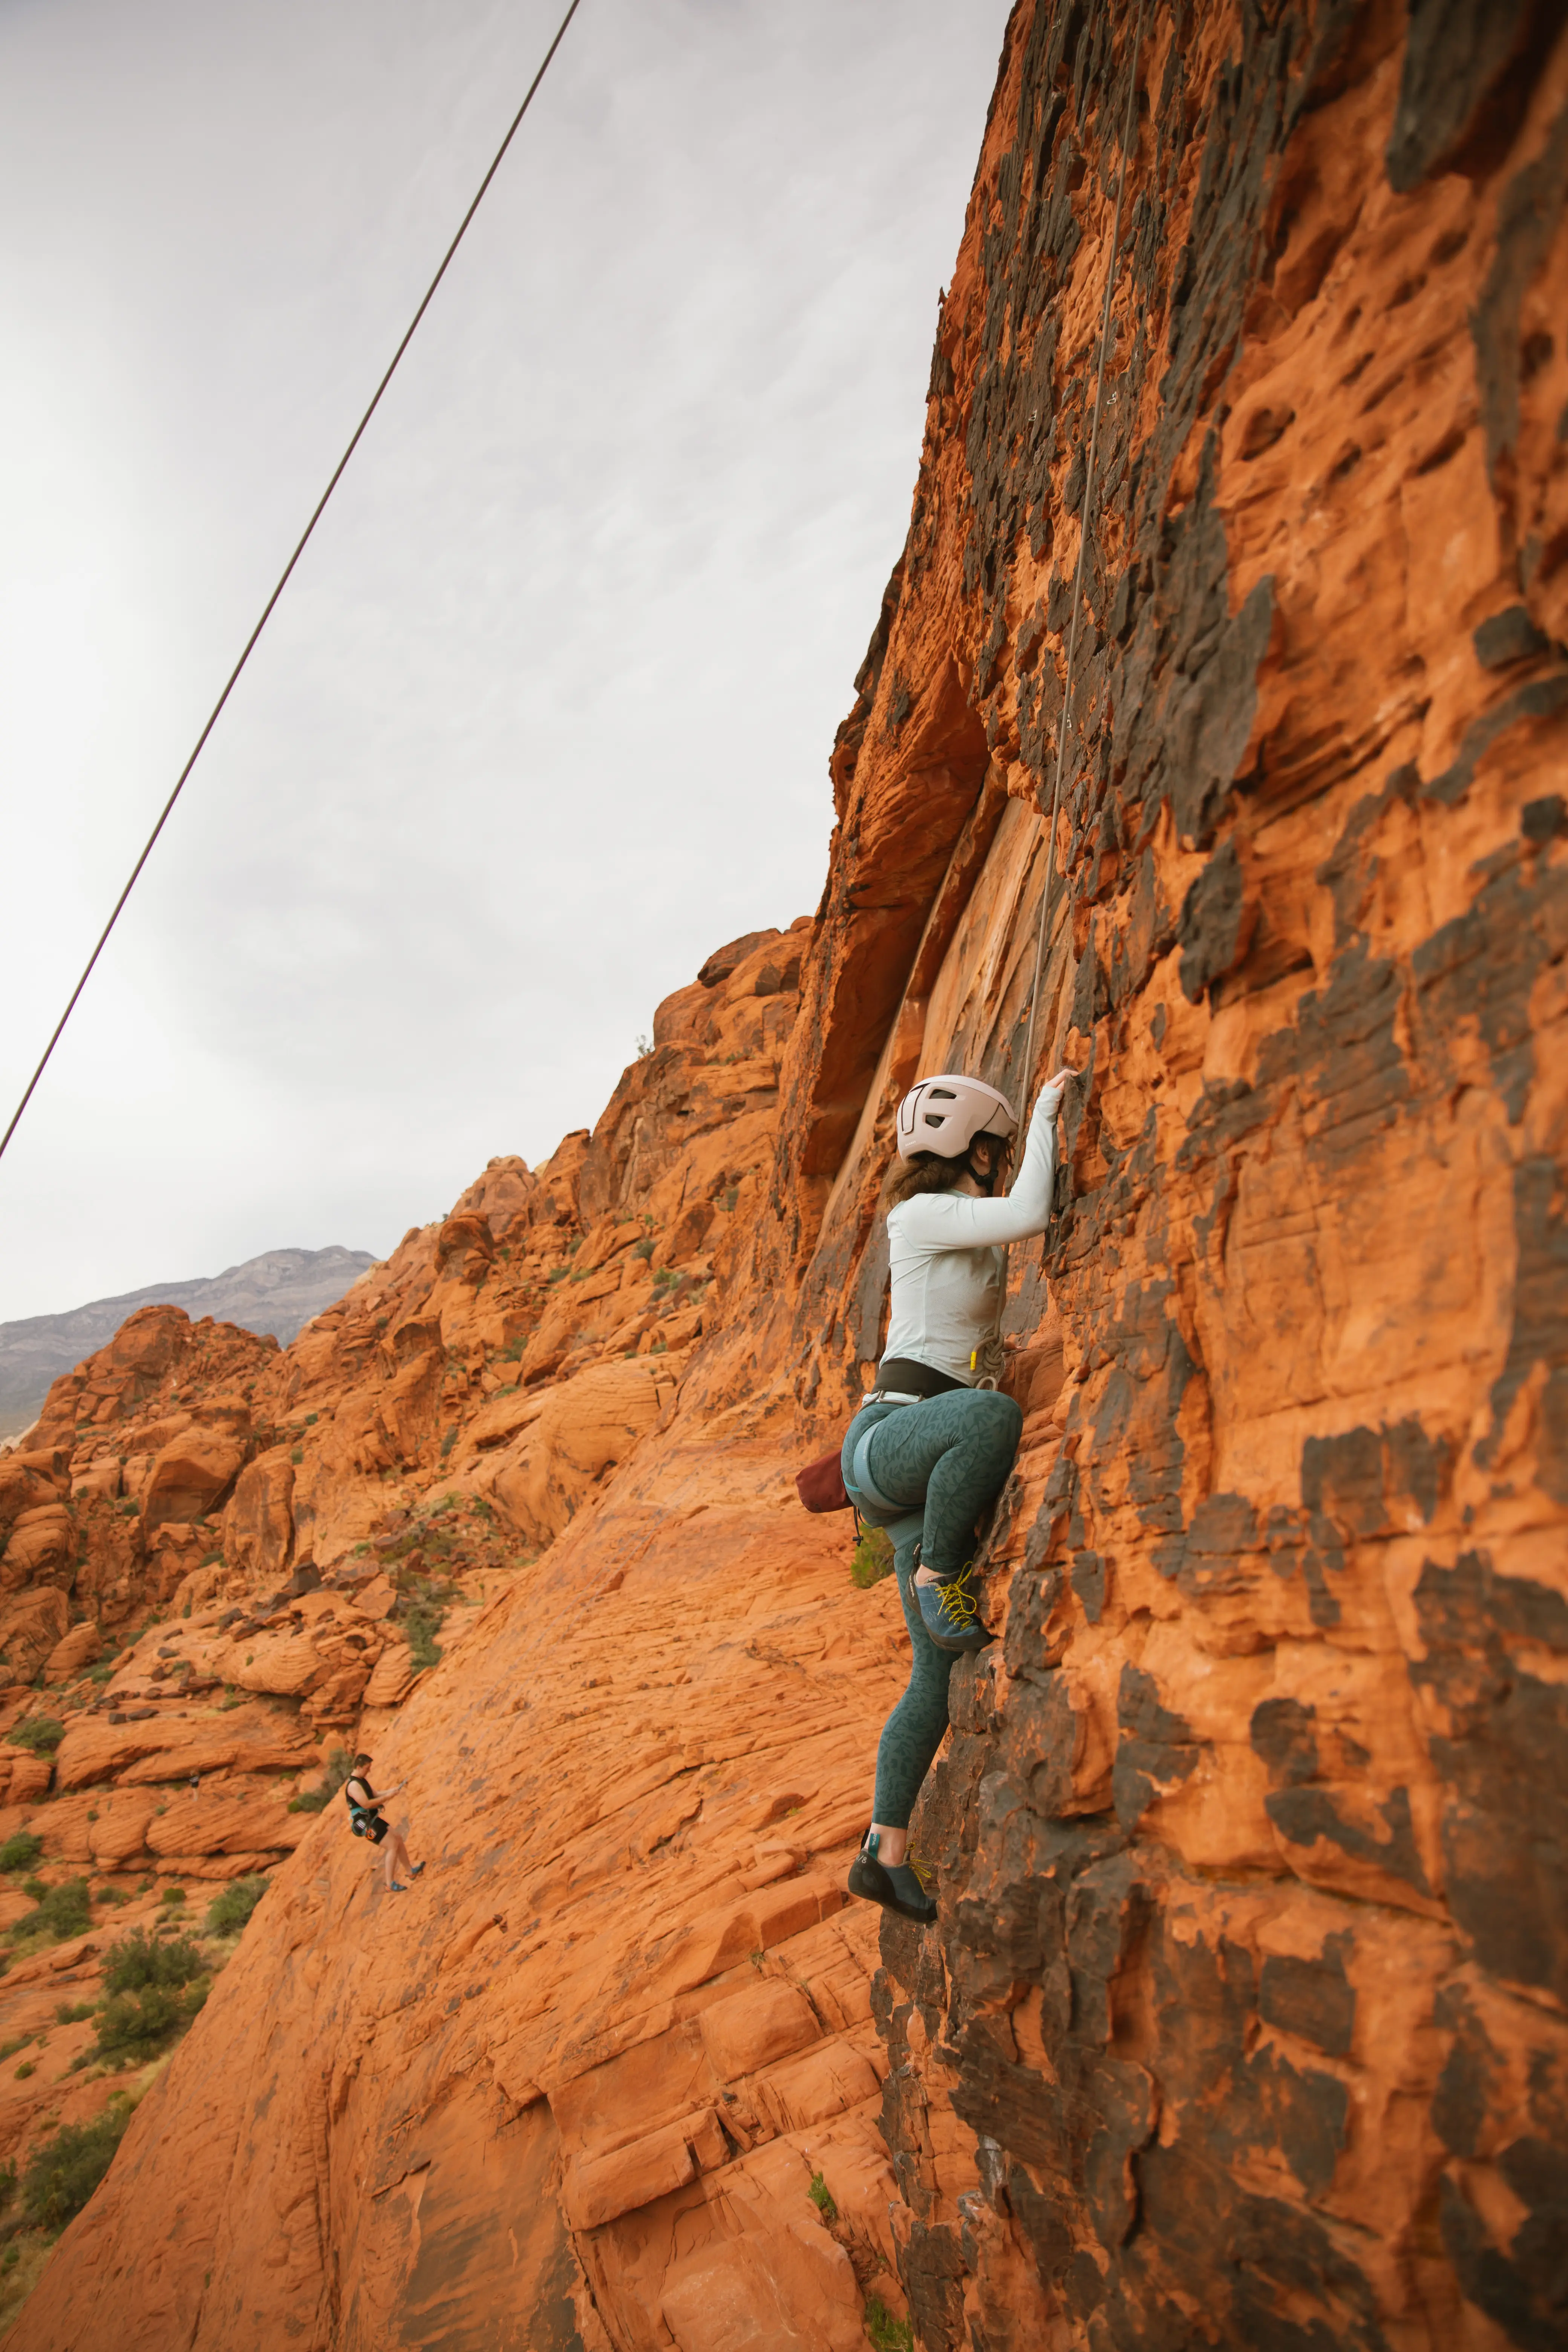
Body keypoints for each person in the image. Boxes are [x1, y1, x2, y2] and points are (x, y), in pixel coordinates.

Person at [842, 1066, 1075, 1926]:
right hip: (889, 1441)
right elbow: (1029, 1211)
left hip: (918, 1465)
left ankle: (884, 1854)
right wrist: (1050, 1109)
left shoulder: (956, 1229)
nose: (1003, 1158)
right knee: (990, 1415)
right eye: (996, 1146)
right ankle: (943, 1572)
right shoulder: (918, 1213)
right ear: (965, 1150)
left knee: (934, 1678)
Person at [343, 1753, 425, 1894]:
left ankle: (410, 1872)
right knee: (392, 1845)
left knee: (398, 1838)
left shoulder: (362, 1780)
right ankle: (390, 1884)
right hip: (363, 1825)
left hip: (371, 1820)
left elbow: (375, 1795)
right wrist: (387, 1797)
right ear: (359, 1767)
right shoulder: (353, 1785)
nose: (369, 1770)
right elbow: (367, 1804)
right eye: (367, 1768)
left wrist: (392, 1791)